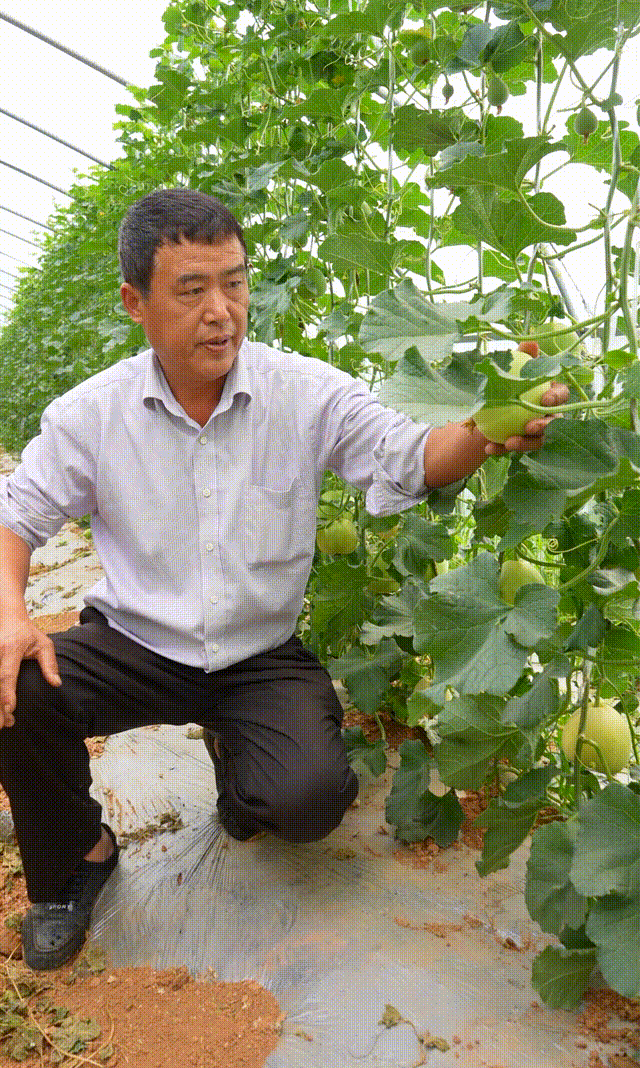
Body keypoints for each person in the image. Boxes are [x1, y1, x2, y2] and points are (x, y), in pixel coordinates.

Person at [0, 188, 568, 971]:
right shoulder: (92, 415)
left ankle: (240, 766)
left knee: (308, 802)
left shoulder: (303, 390)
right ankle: (78, 858)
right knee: (18, 686)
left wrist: (486, 427)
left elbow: (410, 456)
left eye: (234, 284)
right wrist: (11, 614)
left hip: (258, 655)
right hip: (136, 644)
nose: (221, 312)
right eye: (192, 290)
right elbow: (15, 517)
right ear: (136, 303)